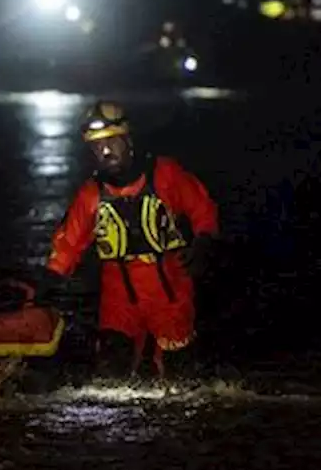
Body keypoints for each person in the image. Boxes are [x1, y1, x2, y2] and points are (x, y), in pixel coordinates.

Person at [39, 100, 218, 379]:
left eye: (111, 142)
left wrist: (203, 243)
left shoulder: (166, 175)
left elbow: (203, 210)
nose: (105, 150)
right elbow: (67, 245)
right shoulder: (90, 196)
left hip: (169, 290)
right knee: (111, 372)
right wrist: (47, 282)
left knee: (179, 376)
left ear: (128, 139)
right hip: (119, 297)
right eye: (97, 146)